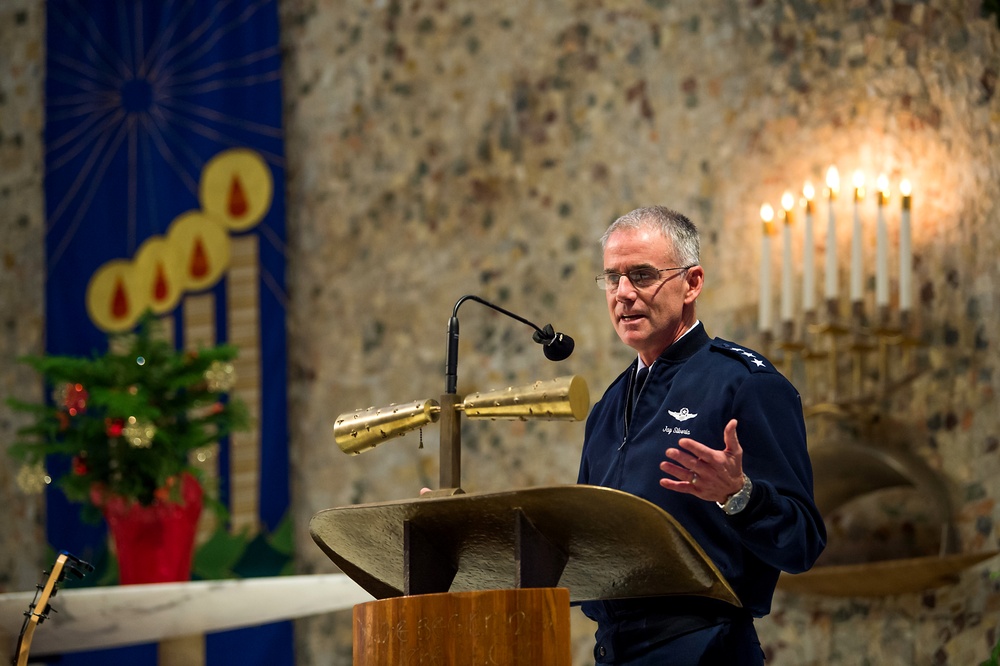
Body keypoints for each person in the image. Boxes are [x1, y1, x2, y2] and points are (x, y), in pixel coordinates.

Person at [577, 206, 826, 665]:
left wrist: (739, 495)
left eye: (642, 275)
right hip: (615, 651)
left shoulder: (745, 383)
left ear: (692, 283)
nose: (623, 294)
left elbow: (803, 542)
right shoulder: (607, 408)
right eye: (612, 279)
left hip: (705, 649)